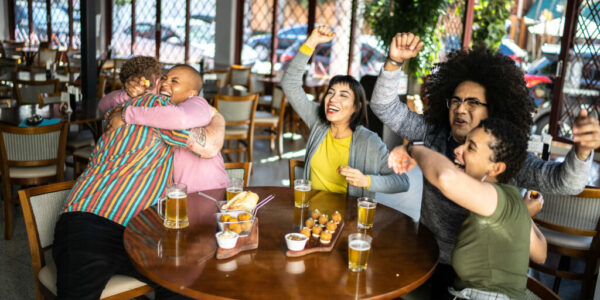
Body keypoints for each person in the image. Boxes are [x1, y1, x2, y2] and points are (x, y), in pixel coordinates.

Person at [369, 32, 600, 294]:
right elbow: (384, 106)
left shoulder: (504, 155)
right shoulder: (433, 133)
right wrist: (394, 62)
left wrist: (582, 150)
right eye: (455, 100)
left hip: (479, 278)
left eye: (473, 102)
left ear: (494, 110)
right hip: (429, 256)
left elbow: (565, 183)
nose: (460, 108)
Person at [388, 118, 547, 299]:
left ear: (495, 167)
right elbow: (540, 253)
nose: (458, 150)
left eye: (470, 147)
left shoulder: (496, 197)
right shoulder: (511, 200)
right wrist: (525, 215)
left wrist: (413, 149)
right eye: (463, 143)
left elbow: (446, 177)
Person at [281, 26, 409, 198]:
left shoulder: (369, 141)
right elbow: (289, 84)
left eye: (343, 95)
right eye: (330, 93)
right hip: (312, 217)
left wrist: (367, 181)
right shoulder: (318, 121)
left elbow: (402, 181)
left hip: (348, 220)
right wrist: (311, 43)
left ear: (356, 107)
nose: (333, 99)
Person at [100, 60, 229, 192]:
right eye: (164, 78)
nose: (165, 83)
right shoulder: (157, 108)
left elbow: (181, 118)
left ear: (192, 93)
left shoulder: (198, 103)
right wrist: (128, 94)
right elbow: (103, 105)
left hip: (210, 191)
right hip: (175, 196)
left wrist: (126, 114)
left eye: (175, 81)